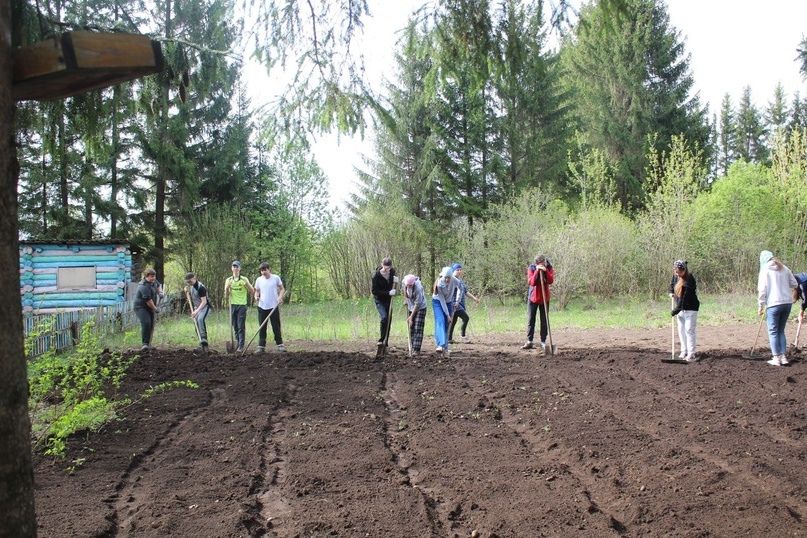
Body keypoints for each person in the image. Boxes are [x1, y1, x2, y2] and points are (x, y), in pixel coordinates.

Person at [758, 250, 798, 366]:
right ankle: (783, 357)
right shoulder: (784, 268)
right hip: (787, 303)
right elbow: (794, 284)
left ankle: (776, 358)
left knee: (773, 331)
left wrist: (760, 306)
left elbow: (762, 290)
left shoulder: (765, 270)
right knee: (781, 330)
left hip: (773, 304)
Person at [669, 260, 700, 362]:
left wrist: (675, 310)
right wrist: (671, 292)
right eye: (676, 271)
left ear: (684, 270)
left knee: (689, 330)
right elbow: (672, 285)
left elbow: (684, 298)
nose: (677, 274)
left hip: (690, 308)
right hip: (680, 309)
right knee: (681, 331)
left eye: (679, 272)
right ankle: (684, 351)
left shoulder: (689, 279)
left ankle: (691, 354)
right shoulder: (676, 276)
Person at [522, 255, 554, 351]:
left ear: (545, 262)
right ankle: (529, 341)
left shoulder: (549, 268)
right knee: (531, 320)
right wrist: (537, 271)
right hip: (533, 298)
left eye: (542, 263)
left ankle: (543, 342)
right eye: (539, 263)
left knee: (544, 321)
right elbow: (531, 282)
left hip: (545, 298)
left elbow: (550, 280)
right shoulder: (531, 268)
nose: (541, 264)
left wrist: (545, 271)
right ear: (536, 263)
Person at [253, 262, 286, 353]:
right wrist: (256, 296)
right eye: (262, 270)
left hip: (273, 307)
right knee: (262, 326)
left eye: (265, 270)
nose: (263, 272)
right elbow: (257, 291)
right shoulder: (259, 280)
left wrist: (280, 297)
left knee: (276, 326)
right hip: (262, 307)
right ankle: (261, 346)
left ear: (269, 269)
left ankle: (280, 345)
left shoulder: (275, 278)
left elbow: (282, 288)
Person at [224, 260, 255, 353]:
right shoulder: (228, 280)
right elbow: (226, 295)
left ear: (240, 268)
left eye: (237, 267)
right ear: (231, 268)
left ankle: (241, 346)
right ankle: (237, 343)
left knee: (241, 326)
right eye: (234, 266)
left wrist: (246, 285)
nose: (235, 268)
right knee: (235, 326)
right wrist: (227, 288)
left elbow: (252, 290)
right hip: (232, 305)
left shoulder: (244, 279)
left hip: (242, 305)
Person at [448, 262, 480, 343]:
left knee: (453, 321)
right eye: (457, 270)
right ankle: (463, 336)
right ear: (453, 271)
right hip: (455, 304)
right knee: (466, 318)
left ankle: (449, 339)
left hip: (460, 304)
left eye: (460, 270)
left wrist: (475, 298)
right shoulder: (452, 280)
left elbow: (465, 292)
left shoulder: (460, 281)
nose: (459, 271)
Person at [371, 257, 397, 350]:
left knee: (389, 319)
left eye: (389, 268)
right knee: (384, 317)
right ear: (382, 265)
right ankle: (381, 340)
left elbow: (394, 281)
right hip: (380, 300)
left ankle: (386, 341)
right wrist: (388, 292)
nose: (387, 270)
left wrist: (395, 286)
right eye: (385, 268)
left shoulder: (392, 271)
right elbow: (374, 291)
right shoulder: (376, 276)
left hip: (389, 300)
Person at [432, 266, 459, 354]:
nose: (447, 279)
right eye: (446, 277)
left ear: (451, 277)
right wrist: (447, 315)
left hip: (449, 302)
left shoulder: (454, 280)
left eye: (449, 278)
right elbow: (442, 300)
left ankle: (446, 347)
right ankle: (440, 345)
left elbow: (462, 288)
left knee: (447, 324)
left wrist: (457, 301)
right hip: (438, 302)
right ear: (443, 276)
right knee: (441, 320)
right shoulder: (439, 283)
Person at [184, 272, 210, 354]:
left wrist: (196, 311)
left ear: (194, 278)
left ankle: (203, 339)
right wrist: (186, 292)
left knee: (200, 319)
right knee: (196, 323)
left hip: (205, 307)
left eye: (190, 281)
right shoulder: (191, 287)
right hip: (197, 307)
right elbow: (192, 298)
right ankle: (202, 344)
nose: (189, 283)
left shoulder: (201, 288)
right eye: (187, 282)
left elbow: (204, 302)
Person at [134, 268, 159, 352]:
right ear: (146, 276)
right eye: (152, 276)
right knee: (146, 323)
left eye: (154, 276)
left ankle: (149, 344)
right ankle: (144, 344)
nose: (154, 278)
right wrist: (155, 309)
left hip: (149, 307)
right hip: (141, 307)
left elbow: (158, 286)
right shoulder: (143, 286)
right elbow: (148, 301)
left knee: (151, 324)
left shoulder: (153, 282)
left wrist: (161, 292)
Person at [402, 274, 427, 356]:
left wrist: (411, 317)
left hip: (420, 307)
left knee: (417, 328)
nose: (409, 286)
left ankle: (416, 349)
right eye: (407, 285)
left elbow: (417, 304)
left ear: (413, 283)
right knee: (411, 327)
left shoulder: (418, 288)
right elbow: (404, 291)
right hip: (410, 306)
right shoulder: (404, 282)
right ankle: (411, 347)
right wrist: (405, 299)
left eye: (410, 285)